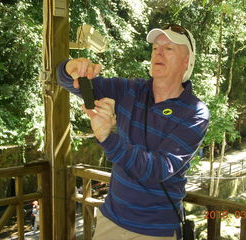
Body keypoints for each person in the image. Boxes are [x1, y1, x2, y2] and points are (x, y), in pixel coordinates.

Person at [57, 24, 209, 240]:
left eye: (169, 48)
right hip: (110, 220)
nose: (158, 52)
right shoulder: (130, 90)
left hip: (156, 230)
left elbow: (159, 169)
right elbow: (73, 84)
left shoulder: (195, 113)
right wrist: (70, 68)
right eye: (156, 47)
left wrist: (108, 139)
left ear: (187, 62)